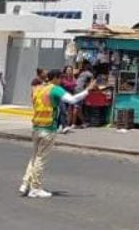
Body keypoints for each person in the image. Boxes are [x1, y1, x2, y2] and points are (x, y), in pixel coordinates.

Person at [20, 70, 95, 198]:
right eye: (61, 78)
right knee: (40, 159)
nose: (62, 81)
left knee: (34, 157)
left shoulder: (38, 88)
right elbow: (72, 100)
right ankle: (35, 188)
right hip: (48, 128)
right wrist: (88, 90)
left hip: (36, 127)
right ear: (54, 78)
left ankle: (25, 184)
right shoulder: (55, 89)